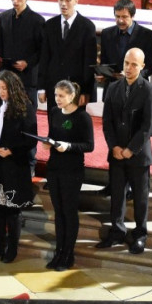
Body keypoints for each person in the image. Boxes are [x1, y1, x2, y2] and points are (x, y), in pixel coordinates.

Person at [96, 48, 152, 255]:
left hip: (138, 155)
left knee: (140, 198)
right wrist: (114, 146)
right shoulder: (113, 87)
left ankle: (140, 234)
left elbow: (148, 126)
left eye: (134, 64)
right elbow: (107, 122)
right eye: (126, 63)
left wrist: (131, 149)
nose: (129, 68)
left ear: (142, 67)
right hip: (116, 154)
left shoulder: (149, 90)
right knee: (117, 195)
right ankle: (117, 231)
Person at [96, 0, 152, 198]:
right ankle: (114, 183)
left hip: (137, 95)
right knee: (113, 135)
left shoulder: (147, 36)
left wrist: (132, 74)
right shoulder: (107, 34)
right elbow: (106, 62)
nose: (120, 20)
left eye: (124, 17)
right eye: (117, 17)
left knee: (134, 137)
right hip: (114, 92)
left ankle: (132, 185)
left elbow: (150, 67)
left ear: (133, 16)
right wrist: (104, 74)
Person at [0, 71, 38, 263]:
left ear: (13, 88)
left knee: (12, 211)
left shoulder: (25, 108)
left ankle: (12, 249)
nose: (1, 92)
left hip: (13, 165)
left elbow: (31, 140)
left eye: (5, 88)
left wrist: (11, 150)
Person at [43, 80, 94, 270]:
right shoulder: (54, 112)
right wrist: (48, 142)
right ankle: (59, 251)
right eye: (56, 95)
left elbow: (89, 145)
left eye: (61, 96)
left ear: (72, 96)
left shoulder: (83, 117)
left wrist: (69, 146)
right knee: (58, 212)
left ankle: (68, 254)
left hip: (72, 170)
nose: (57, 99)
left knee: (69, 212)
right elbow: (52, 135)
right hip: (54, 167)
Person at [0, 0, 44, 173]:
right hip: (7, 77)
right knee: (7, 121)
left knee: (27, 123)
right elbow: (0, 44)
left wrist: (28, 63)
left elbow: (42, 50)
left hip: (27, 79)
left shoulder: (37, 21)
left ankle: (30, 164)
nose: (15, 1)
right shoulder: (4, 17)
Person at [38, 0, 97, 111]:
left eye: (68, 0)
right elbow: (44, 58)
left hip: (75, 90)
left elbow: (89, 63)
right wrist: (41, 88)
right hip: (54, 88)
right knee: (54, 122)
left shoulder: (87, 27)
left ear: (76, 0)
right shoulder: (49, 25)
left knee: (73, 122)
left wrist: (86, 91)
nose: (63, 4)